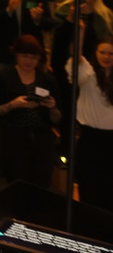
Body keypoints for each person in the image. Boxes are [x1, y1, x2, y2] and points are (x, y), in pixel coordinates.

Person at [0, 35, 61, 188]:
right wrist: (13, 105)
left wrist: (52, 107)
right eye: (24, 56)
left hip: (42, 141)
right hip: (13, 139)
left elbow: (57, 119)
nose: (28, 61)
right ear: (16, 55)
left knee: (41, 185)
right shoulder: (3, 77)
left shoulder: (47, 80)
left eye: (33, 57)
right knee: (17, 185)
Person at [67, 33, 113, 213]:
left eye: (111, 53)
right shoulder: (88, 74)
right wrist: (80, 31)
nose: (107, 57)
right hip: (91, 139)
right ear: (96, 53)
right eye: (103, 52)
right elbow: (75, 59)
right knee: (89, 187)